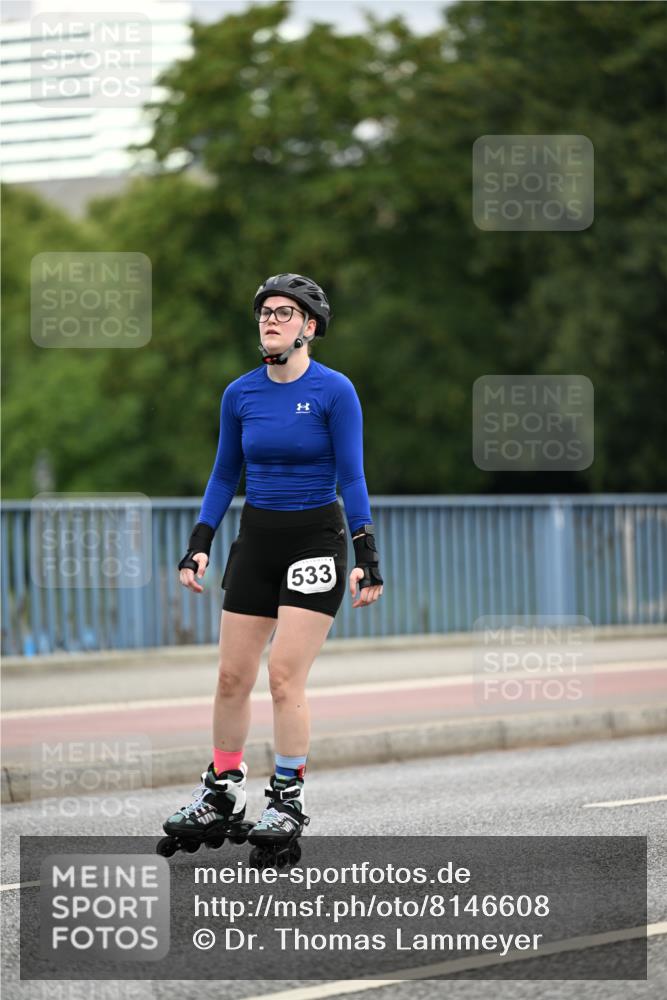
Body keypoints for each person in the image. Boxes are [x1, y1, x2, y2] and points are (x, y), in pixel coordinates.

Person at [161, 272, 383, 856]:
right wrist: (200, 541)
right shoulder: (240, 394)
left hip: (316, 539)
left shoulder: (336, 391)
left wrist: (366, 552)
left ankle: (286, 797)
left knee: (284, 676)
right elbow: (223, 475)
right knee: (231, 676)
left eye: (285, 312)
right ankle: (222, 791)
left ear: (309, 327)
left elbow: (352, 475)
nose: (270, 320)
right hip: (257, 538)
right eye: (265, 311)